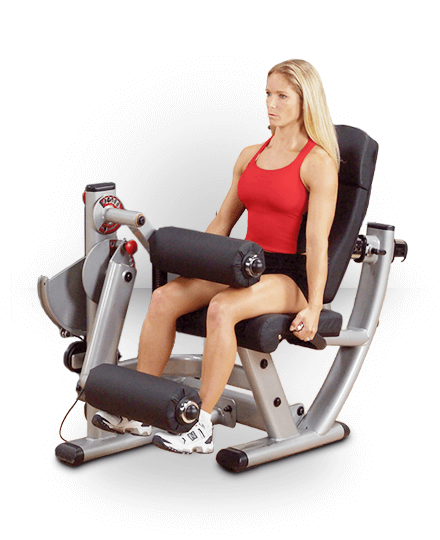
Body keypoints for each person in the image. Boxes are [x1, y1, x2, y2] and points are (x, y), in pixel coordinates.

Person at [92, 59, 340, 454]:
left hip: (289, 276)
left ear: (305, 101)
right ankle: (140, 411)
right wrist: (198, 263)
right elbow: (223, 220)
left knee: (223, 307)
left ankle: (200, 425)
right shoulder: (250, 156)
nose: (270, 104)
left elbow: (319, 241)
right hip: (245, 263)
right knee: (164, 298)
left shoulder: (318, 163)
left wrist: (313, 307)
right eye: (267, 94)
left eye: (282, 96)